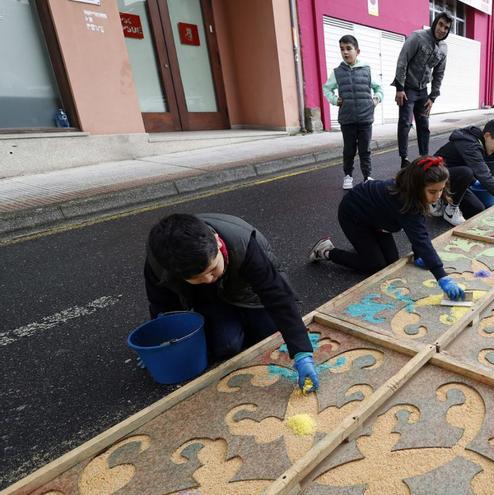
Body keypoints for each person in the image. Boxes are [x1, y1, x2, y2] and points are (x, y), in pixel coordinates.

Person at [144, 213, 318, 391]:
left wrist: (302, 352)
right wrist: (160, 343)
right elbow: (161, 302)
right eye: (197, 277)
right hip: (209, 299)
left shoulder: (242, 243)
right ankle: (232, 321)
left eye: (212, 269)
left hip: (248, 291)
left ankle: (244, 320)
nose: (208, 278)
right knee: (227, 346)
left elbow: (277, 294)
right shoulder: (160, 261)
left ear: (218, 242)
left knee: (271, 333)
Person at [309, 156, 465, 301]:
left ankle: (364, 248)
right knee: (375, 265)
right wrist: (441, 276)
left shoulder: (412, 194)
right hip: (354, 215)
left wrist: (419, 254)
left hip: (377, 220)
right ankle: (326, 251)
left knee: (391, 264)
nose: (437, 196)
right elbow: (420, 238)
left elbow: (419, 229)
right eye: (432, 191)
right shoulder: (403, 200)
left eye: (441, 190)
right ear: (416, 186)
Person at [433, 119, 494, 224]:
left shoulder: (479, 143)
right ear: (487, 135)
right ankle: (449, 209)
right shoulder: (470, 144)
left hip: (453, 178)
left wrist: (474, 182)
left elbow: (463, 163)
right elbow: (485, 176)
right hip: (436, 176)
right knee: (466, 172)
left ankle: (446, 201)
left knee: (477, 209)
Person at [323, 35, 384, 190]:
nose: (345, 52)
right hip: (347, 119)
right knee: (349, 150)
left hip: (365, 118)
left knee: (365, 150)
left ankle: (367, 176)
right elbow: (327, 89)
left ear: (357, 51)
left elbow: (379, 88)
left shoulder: (367, 70)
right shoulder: (337, 72)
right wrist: (335, 100)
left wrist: (375, 99)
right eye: (342, 49)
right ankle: (348, 176)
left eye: (348, 48)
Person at [393, 13, 451, 168]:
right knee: (405, 123)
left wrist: (432, 97)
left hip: (423, 91)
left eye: (446, 27)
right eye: (440, 24)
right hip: (408, 89)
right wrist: (399, 88)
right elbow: (402, 60)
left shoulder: (444, 49)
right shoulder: (417, 37)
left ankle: (424, 157)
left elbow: (439, 73)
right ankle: (403, 159)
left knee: (424, 125)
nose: (442, 29)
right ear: (435, 23)